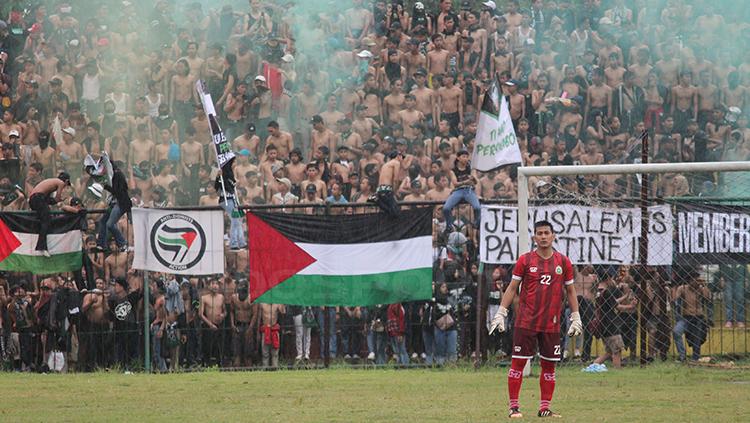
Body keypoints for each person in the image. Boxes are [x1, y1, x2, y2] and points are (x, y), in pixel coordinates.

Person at [489, 220, 581, 418]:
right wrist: (501, 313)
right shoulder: (525, 260)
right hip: (526, 322)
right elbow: (512, 288)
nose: (543, 236)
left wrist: (576, 317)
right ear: (534, 237)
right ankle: (514, 407)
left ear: (553, 235)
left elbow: (571, 291)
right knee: (518, 364)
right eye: (539, 233)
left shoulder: (563, 262)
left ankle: (544, 408)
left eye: (547, 233)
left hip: (552, 323)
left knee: (549, 366)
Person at [28, 172, 71, 256]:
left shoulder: (52, 181)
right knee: (46, 220)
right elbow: (57, 198)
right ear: (66, 181)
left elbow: (49, 199)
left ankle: (40, 244)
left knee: (42, 219)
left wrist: (55, 201)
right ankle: (42, 247)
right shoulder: (60, 182)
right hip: (38, 198)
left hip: (34, 199)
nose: (65, 186)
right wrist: (61, 200)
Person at [442, 149, 480, 233]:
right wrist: (466, 181)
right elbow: (455, 183)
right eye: (463, 157)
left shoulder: (471, 168)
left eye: (467, 157)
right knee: (446, 208)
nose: (466, 158)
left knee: (477, 207)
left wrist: (473, 178)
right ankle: (449, 226)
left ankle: (477, 223)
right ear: (458, 158)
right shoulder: (453, 170)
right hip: (458, 191)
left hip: (469, 190)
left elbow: (476, 182)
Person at [96, 161, 131, 252]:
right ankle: (101, 244)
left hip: (120, 203)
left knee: (110, 224)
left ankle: (122, 243)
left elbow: (118, 191)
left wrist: (106, 187)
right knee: (103, 221)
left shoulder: (118, 175)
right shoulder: (112, 175)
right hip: (114, 203)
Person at [370, 150, 402, 217]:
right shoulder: (396, 162)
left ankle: (376, 199)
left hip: (381, 189)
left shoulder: (386, 164)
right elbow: (396, 179)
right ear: (398, 156)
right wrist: (395, 192)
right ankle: (377, 200)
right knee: (395, 212)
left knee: (390, 212)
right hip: (387, 189)